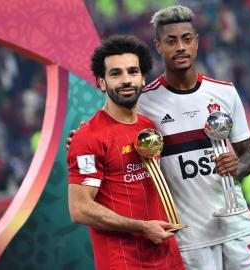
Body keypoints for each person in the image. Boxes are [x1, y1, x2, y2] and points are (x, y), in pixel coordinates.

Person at [136, 5, 250, 270]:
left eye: (187, 39)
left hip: (237, 227)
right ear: (158, 46)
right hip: (191, 239)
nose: (180, 47)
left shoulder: (225, 93)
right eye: (171, 41)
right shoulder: (145, 103)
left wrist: (238, 167)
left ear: (196, 43)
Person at [67, 35, 184, 270]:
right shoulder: (89, 137)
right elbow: (80, 209)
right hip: (124, 262)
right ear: (101, 83)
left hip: (167, 257)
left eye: (132, 72)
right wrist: (142, 226)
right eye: (115, 74)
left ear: (142, 77)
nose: (126, 80)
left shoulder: (149, 128)